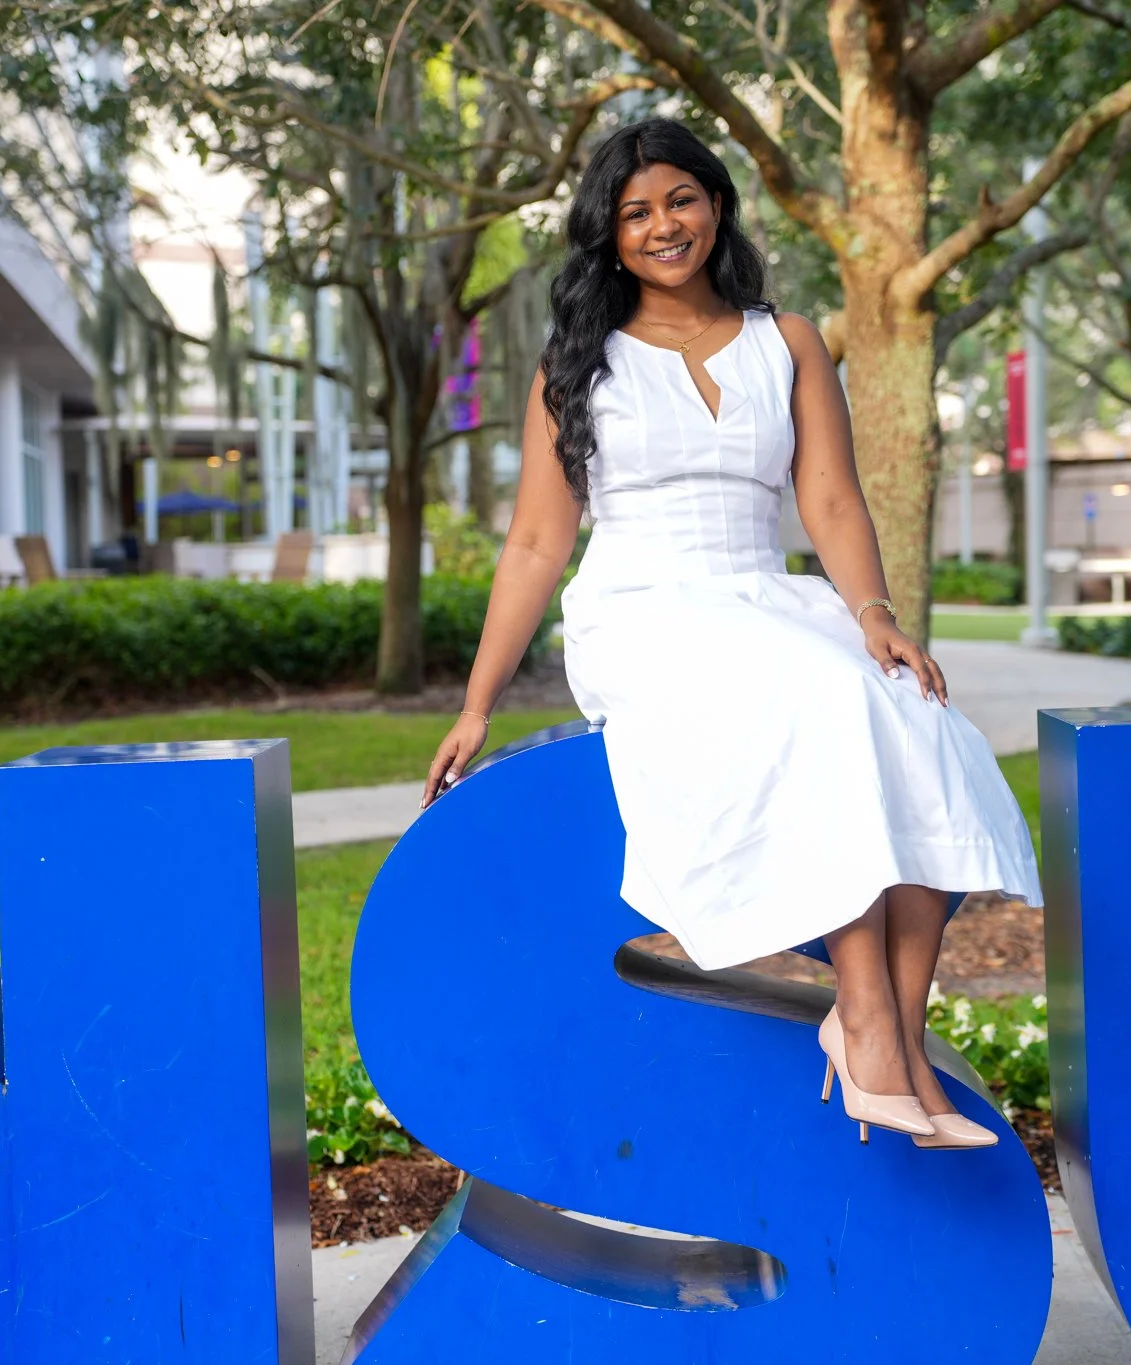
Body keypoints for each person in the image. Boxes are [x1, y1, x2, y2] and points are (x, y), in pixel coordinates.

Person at [420, 117, 1042, 1149]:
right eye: (634, 212)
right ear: (605, 235)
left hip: (763, 597)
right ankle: (878, 1042)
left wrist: (876, 618)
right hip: (643, 610)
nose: (662, 225)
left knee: (919, 718)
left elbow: (833, 501)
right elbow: (535, 542)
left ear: (715, 204)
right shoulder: (577, 362)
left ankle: (876, 1027)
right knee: (822, 700)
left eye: (679, 199)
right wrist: (476, 703)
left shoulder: (784, 340)